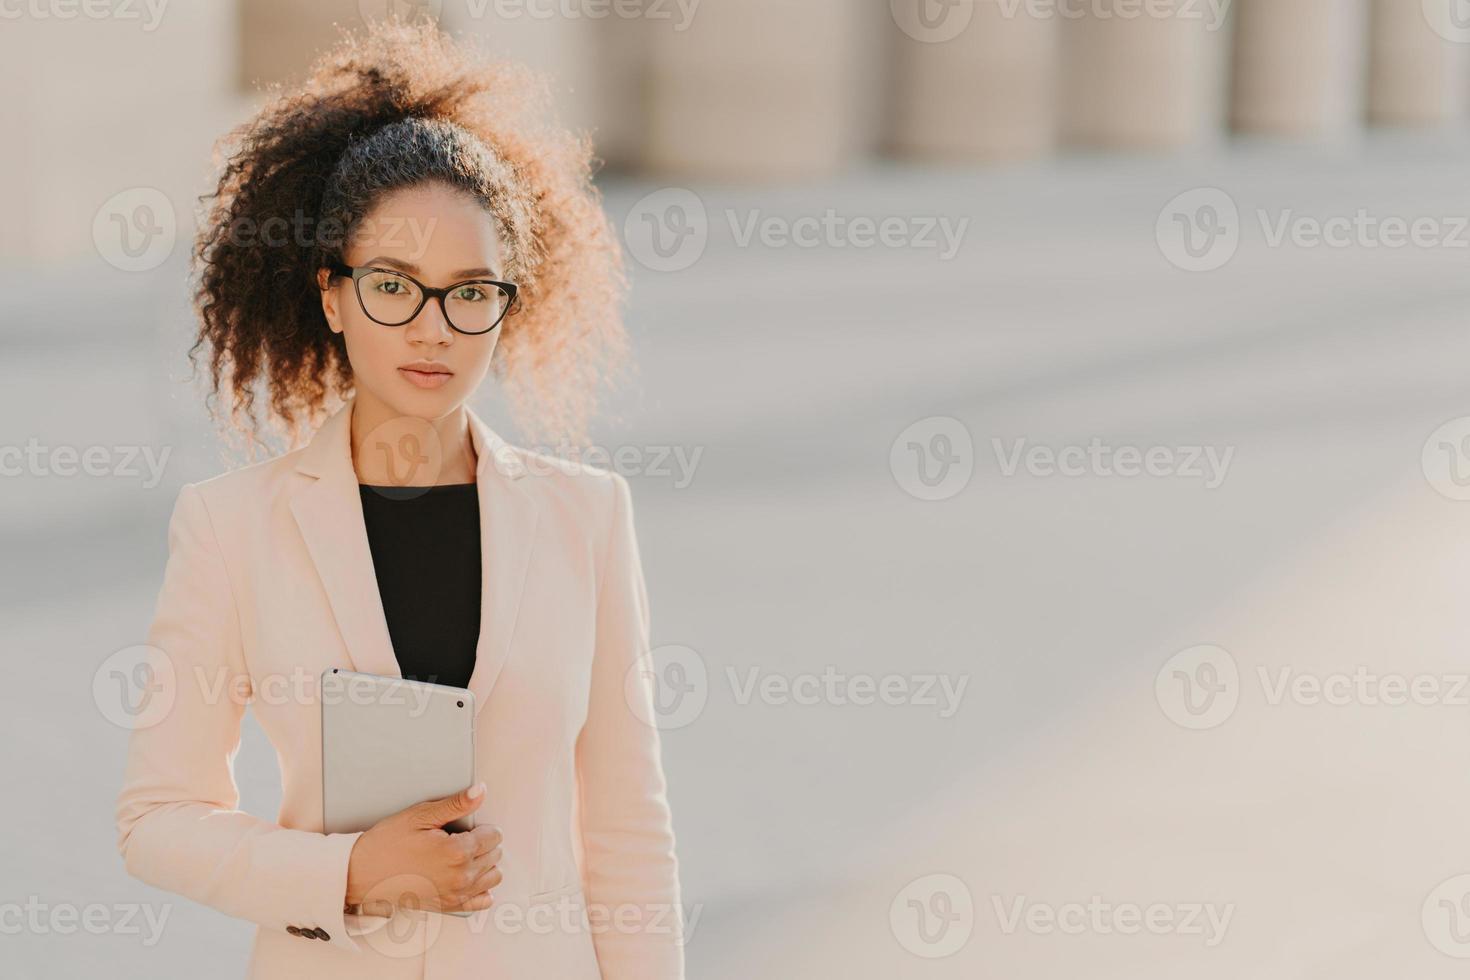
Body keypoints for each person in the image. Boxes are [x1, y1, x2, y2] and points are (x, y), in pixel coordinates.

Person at [113, 19, 683, 979]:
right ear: (332, 296)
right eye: (393, 287)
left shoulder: (588, 517)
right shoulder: (230, 528)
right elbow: (156, 819)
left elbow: (629, 835)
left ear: (510, 301)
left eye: (470, 292)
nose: (434, 329)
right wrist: (348, 871)